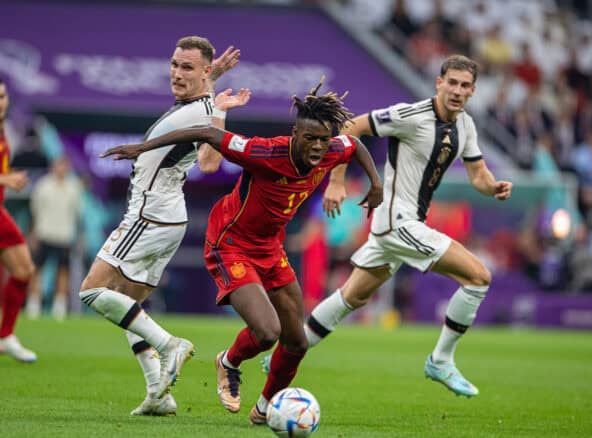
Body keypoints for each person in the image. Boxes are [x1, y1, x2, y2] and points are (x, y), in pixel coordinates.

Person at [101, 78, 384, 424]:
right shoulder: (263, 152)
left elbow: (354, 143)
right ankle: (228, 362)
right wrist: (143, 148)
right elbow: (207, 134)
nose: (317, 148)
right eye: (309, 138)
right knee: (268, 332)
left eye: (323, 140)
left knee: (297, 341)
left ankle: (265, 409)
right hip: (230, 243)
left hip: (269, 246)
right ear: (295, 134)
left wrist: (377, 182)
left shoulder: (332, 149)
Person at [263, 54, 513, 397]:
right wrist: (335, 181)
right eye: (451, 82)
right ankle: (440, 360)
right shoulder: (410, 116)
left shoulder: (466, 126)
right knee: (479, 277)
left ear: (472, 91)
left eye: (464, 85)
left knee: (352, 296)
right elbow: (351, 127)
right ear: (438, 83)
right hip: (398, 222)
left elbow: (478, 174)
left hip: (400, 226)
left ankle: (287, 353)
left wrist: (493, 186)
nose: (457, 90)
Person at [78, 36, 249, 416]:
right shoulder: (197, 102)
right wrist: (212, 77)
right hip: (168, 217)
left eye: (187, 67)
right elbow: (202, 103)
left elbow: (208, 163)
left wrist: (218, 107)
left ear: (203, 73)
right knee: (129, 306)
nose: (176, 73)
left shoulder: (204, 110)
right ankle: (159, 393)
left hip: (148, 215)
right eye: (174, 64)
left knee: (91, 292)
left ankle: (171, 344)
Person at [0, 78, 37, 363]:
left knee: (23, 270)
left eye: (2, 96)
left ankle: (6, 336)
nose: (1, 102)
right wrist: (5, 178)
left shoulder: (4, 131)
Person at [27, 156, 83, 320]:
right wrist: (33, 234)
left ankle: (59, 306)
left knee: (63, 271)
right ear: (53, 167)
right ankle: (34, 304)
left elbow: (78, 215)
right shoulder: (43, 185)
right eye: (59, 166)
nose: (61, 169)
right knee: (37, 270)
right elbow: (34, 212)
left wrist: (79, 236)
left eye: (65, 166)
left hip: (64, 236)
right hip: (44, 234)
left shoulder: (74, 188)